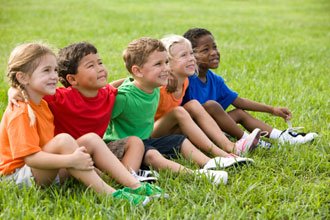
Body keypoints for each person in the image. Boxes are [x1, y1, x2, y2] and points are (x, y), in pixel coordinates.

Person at [0, 43, 165, 206]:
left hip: (46, 169)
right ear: (23, 77)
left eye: (55, 70)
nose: (55, 77)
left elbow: (113, 86)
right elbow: (30, 159)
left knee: (92, 139)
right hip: (18, 177)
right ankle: (112, 195)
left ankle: (135, 185)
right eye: (46, 70)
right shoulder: (21, 111)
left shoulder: (41, 103)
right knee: (64, 140)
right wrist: (71, 160)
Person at [104, 37, 237, 186]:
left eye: (166, 62)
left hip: (145, 140)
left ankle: (211, 162)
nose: (166, 68)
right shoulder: (124, 97)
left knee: (179, 141)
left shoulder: (154, 87)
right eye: (158, 64)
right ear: (138, 71)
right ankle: (198, 176)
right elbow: (102, 120)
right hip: (123, 147)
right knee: (153, 155)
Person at [182, 28, 318, 146]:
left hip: (211, 128)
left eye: (215, 47)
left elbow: (239, 102)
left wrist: (273, 109)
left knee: (239, 113)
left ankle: (284, 138)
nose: (213, 52)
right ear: (191, 55)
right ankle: (250, 141)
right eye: (206, 50)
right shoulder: (185, 79)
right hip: (192, 132)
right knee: (211, 105)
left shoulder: (214, 79)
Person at [152, 34, 260, 158]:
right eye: (183, 55)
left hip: (173, 131)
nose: (191, 58)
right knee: (178, 112)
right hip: (151, 135)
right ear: (168, 63)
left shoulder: (185, 81)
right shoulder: (159, 86)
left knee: (193, 105)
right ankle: (221, 154)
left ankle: (231, 147)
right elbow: (133, 83)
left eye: (191, 53)